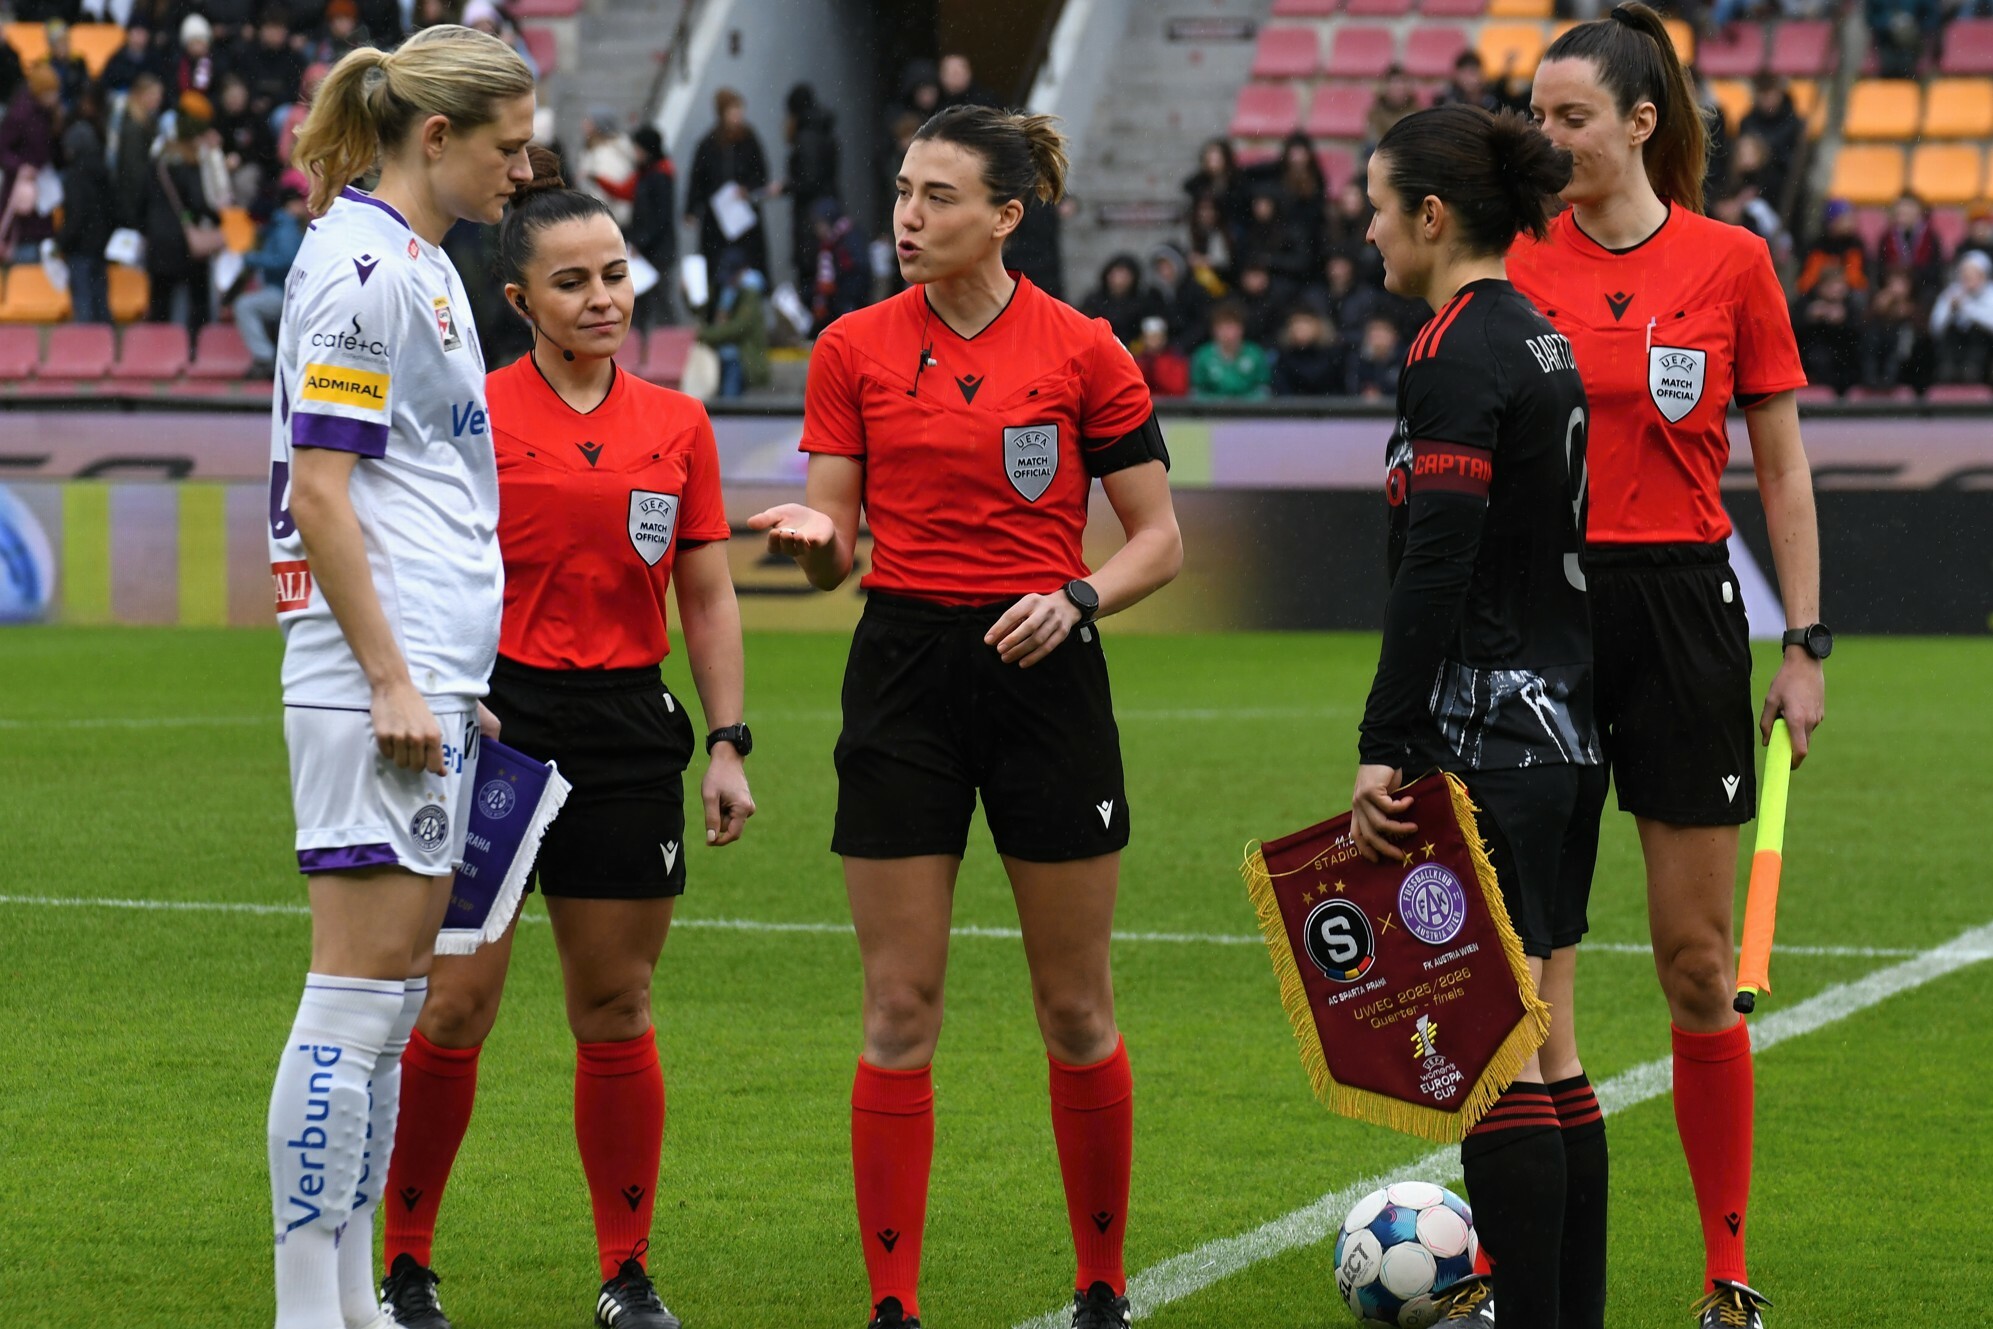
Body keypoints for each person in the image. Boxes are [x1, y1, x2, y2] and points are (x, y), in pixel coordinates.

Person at [747, 104, 1182, 1329]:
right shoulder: (851, 348)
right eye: (901, 191)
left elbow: (1158, 540)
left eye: (937, 196)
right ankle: (893, 1305)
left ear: (1004, 216)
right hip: (904, 673)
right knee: (898, 1007)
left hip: (1046, 672)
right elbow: (833, 552)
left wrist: (1077, 598)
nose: (906, 216)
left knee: (1075, 1006)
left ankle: (1102, 1289)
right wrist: (816, 541)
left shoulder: (1086, 350)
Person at [378, 147, 751, 1329]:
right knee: (453, 1007)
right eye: (573, 281)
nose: (602, 298)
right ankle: (404, 1267)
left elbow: (705, 594)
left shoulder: (677, 424)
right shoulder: (471, 413)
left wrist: (728, 741)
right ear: (519, 300)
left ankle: (626, 1273)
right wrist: (441, 688)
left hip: (629, 733)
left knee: (617, 1006)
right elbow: (410, 567)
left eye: (615, 274)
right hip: (498, 724)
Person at [1513, 8, 1826, 1326]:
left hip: (1684, 615)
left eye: (1571, 117)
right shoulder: (1513, 259)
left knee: (1696, 963)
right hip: (1543, 617)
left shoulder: (1731, 261)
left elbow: (1781, 468)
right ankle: (1530, 1272)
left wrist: (1802, 644)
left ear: (1640, 123)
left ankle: (1723, 1272)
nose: (1547, 139)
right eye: (1536, 116)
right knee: (1532, 972)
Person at [261, 24, 534, 1329]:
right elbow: (320, 493)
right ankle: (305, 1310)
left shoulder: (413, 261)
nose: (522, 173)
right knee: (354, 996)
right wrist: (390, 676)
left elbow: (409, 485)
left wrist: (444, 670)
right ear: (436, 136)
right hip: (372, 681)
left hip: (419, 672)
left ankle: (354, 1302)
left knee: (390, 999)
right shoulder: (367, 272)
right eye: (509, 148)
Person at [1349, 101, 1591, 1329]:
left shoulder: (1454, 349)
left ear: (1433, 216)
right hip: (1564, 730)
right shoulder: (1540, 335)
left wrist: (1384, 742)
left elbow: (1436, 562)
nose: (1369, 234)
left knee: (1491, 1057)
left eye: (1378, 210)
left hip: (1487, 738)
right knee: (1550, 1049)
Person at [144, 92, 222, 337]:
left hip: (157, 239)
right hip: (184, 241)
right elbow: (198, 202)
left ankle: (158, 347)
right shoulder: (190, 162)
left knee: (160, 301)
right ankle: (194, 346)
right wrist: (216, 219)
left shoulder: (159, 159)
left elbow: (141, 199)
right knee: (196, 300)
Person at [685, 87, 770, 282]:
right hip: (717, 220)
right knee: (719, 269)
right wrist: (692, 209)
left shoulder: (749, 139)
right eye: (733, 111)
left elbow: (761, 173)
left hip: (744, 218)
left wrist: (748, 190)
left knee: (749, 269)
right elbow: (698, 179)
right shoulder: (709, 144)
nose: (738, 116)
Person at [235, 181, 309, 373]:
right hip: (287, 290)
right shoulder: (285, 225)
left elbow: (286, 261)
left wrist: (253, 259)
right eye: (299, 201)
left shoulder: (285, 226)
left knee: (244, 305)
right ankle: (271, 359)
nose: (303, 205)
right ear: (290, 204)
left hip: (284, 292)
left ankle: (264, 357)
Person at [784, 82, 842, 287]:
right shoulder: (824, 132)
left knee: (811, 270)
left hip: (810, 214)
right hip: (828, 204)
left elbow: (809, 180)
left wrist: (787, 186)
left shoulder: (806, 137)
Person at [58, 118, 114, 323]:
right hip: (100, 247)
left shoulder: (74, 176)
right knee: (101, 303)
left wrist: (61, 242)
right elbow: (112, 210)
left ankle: (87, 344)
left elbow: (76, 215)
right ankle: (107, 342)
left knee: (83, 305)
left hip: (79, 249)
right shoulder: (103, 172)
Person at [627, 125, 678, 329]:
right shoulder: (646, 174)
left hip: (657, 252)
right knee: (642, 303)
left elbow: (660, 218)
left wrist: (641, 241)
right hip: (647, 250)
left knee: (660, 300)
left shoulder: (659, 176)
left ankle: (668, 340)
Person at [1929, 249, 1993, 384]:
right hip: (1953, 350)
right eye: (1965, 273)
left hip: (1981, 351)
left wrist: (1966, 309)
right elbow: (1935, 327)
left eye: (1974, 273)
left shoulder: (1990, 293)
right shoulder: (1952, 292)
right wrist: (1950, 310)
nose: (1968, 277)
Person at [1190, 300, 1271, 397]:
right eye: (1223, 327)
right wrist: (1221, 402)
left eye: (1233, 327)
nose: (1228, 333)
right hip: (1214, 406)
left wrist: (1241, 403)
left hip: (1247, 406)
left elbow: (1263, 391)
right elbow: (1197, 393)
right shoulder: (1203, 355)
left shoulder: (1255, 353)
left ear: (1242, 328)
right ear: (1214, 330)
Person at [1270, 304, 1345, 396]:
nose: (1301, 329)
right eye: (1297, 324)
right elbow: (1282, 391)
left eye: (1306, 323)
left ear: (1318, 326)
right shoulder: (1284, 357)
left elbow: (1341, 389)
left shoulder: (1334, 355)